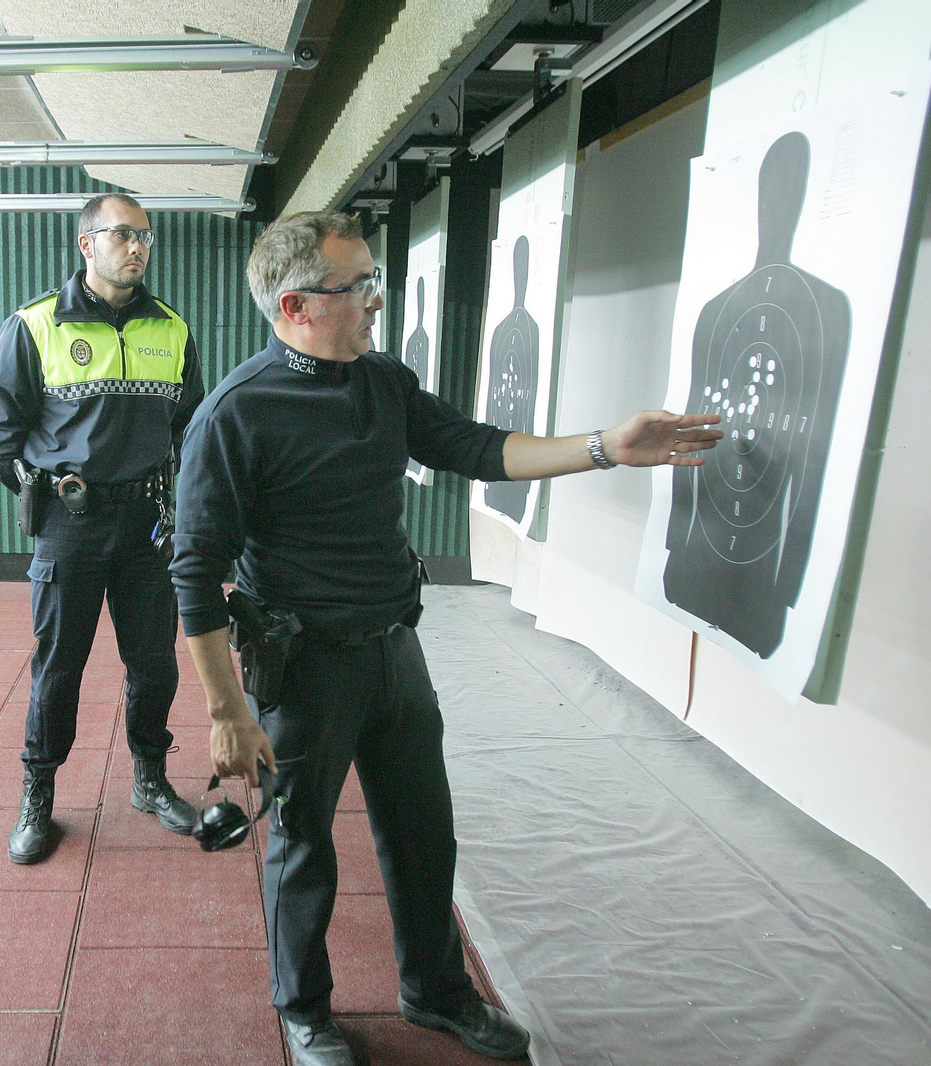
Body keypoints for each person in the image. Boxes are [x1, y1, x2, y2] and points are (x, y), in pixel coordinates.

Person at [171, 210, 721, 1066]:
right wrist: (227, 711)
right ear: (295, 305)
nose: (376, 301)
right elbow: (193, 574)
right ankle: (303, 1008)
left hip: (397, 652)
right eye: (357, 288)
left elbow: (476, 447)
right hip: (304, 668)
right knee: (305, 844)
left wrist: (607, 447)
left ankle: (435, 991)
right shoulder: (234, 415)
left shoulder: (383, 382)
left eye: (372, 282)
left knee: (426, 834)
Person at [0, 192, 205, 863]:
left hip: (148, 527)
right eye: (121, 235)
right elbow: (0, 434)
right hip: (70, 525)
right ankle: (38, 795)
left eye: (145, 235)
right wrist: (48, 500)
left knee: (155, 663)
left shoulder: (171, 328)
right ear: (87, 244)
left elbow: (192, 430)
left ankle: (150, 779)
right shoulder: (34, 325)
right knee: (58, 667)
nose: (136, 247)